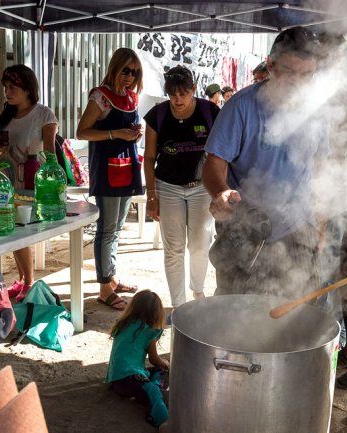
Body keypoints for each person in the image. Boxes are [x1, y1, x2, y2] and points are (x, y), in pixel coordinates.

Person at [203, 26, 326, 300]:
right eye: (290, 72)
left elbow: (322, 169)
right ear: (271, 65)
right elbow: (214, 163)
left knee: (298, 315)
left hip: (298, 230)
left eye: (307, 75)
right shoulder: (241, 106)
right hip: (245, 230)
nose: (298, 83)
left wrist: (322, 221)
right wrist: (221, 192)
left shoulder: (318, 111)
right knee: (237, 311)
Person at [143, 66, 220, 308]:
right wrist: (151, 195)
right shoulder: (158, 115)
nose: (177, 99)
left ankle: (197, 290)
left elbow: (221, 153)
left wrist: (220, 190)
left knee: (200, 244)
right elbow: (148, 157)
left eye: (183, 94)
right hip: (168, 187)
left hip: (201, 188)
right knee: (173, 249)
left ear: (193, 90)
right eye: (172, 94)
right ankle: (179, 305)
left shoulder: (210, 112)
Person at [76, 47, 144, 310]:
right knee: (106, 229)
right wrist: (117, 133)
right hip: (107, 170)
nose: (130, 76)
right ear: (114, 67)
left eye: (135, 72)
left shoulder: (131, 98)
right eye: (125, 70)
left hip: (127, 167)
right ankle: (104, 288)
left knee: (117, 228)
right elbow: (82, 132)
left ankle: (111, 276)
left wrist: (134, 135)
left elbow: (127, 131)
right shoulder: (100, 96)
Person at [0, 64, 58, 300]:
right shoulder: (5, 115)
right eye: (5, 87)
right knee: (13, 229)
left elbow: (50, 151)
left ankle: (29, 282)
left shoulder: (43, 114)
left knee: (24, 230)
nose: (7, 92)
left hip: (32, 177)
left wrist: (54, 182)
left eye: (13, 87)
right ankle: (23, 281)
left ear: (28, 89)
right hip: (7, 178)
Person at [106, 290, 169, 428]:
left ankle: (149, 389)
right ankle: (162, 419)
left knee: (148, 379)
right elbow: (154, 359)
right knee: (160, 374)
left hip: (116, 379)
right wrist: (166, 363)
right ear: (156, 314)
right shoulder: (148, 331)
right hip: (129, 378)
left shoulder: (123, 325)